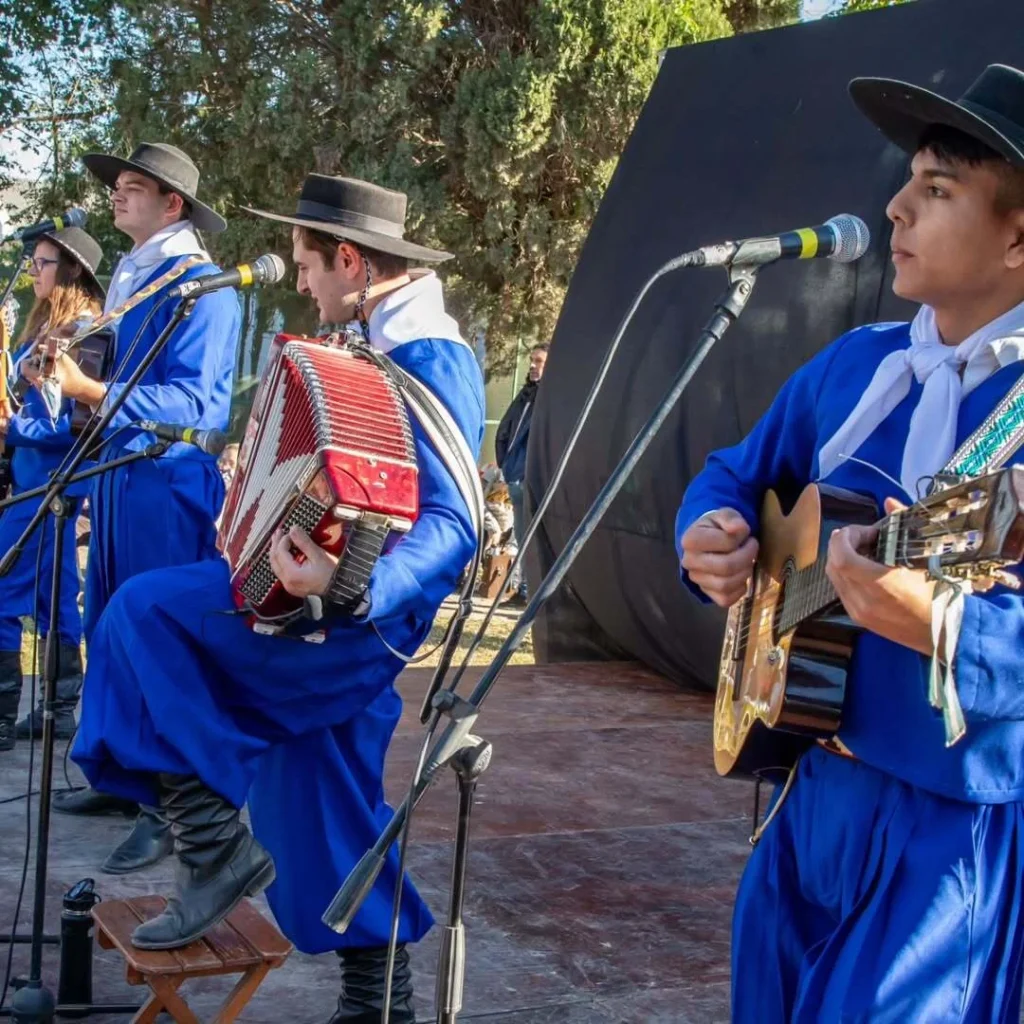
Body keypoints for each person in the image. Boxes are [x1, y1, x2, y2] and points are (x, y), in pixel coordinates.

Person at [71, 174, 484, 1022]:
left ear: (348, 259)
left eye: (307, 264)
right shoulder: (370, 337)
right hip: (327, 610)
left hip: (355, 623)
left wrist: (357, 584)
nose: (300, 282)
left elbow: (453, 522)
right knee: (324, 801)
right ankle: (378, 1008)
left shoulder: (430, 353)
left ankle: (214, 846)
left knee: (142, 617)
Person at [677, 65, 1024, 1021]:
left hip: (943, 828)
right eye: (909, 181)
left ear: (1019, 235)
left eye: (937, 190)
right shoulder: (856, 367)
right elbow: (732, 473)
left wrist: (944, 629)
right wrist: (709, 533)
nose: (895, 208)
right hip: (808, 789)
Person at [41, 143, 241, 876]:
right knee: (108, 627)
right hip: (121, 472)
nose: (117, 198)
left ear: (172, 205)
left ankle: (171, 806)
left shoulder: (204, 285)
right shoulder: (136, 273)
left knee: (160, 640)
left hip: (168, 478)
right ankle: (126, 777)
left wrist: (93, 392)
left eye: (132, 188)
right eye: (119, 187)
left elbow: (196, 403)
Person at [0, 228, 105, 749]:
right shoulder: (44, 324)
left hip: (49, 482)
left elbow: (79, 422)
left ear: (67, 270)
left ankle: (2, 717)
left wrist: (13, 428)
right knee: (55, 598)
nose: (32, 271)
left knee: (1, 592)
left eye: (40, 263)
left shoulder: (84, 332)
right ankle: (59, 710)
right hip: (31, 478)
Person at [494, 343, 547, 603]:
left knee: (537, 538)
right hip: (516, 477)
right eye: (532, 360)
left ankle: (532, 590)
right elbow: (505, 430)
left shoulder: (550, 399)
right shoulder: (526, 396)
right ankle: (524, 588)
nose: (533, 366)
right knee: (523, 535)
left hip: (536, 479)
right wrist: (505, 465)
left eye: (539, 361)